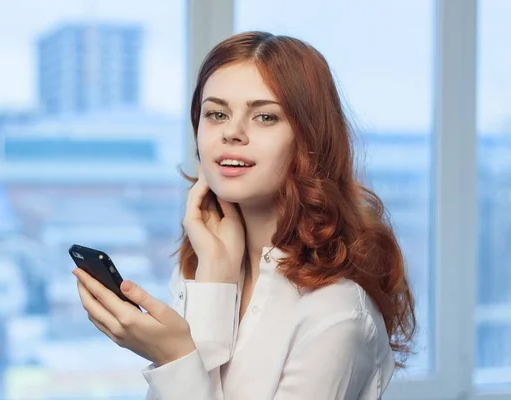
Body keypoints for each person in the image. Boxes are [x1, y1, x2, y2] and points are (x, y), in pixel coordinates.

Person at [73, 30, 416, 400]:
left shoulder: (337, 313)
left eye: (265, 117)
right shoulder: (200, 268)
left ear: (310, 139)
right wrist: (214, 283)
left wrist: (173, 357)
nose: (232, 132)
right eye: (216, 113)